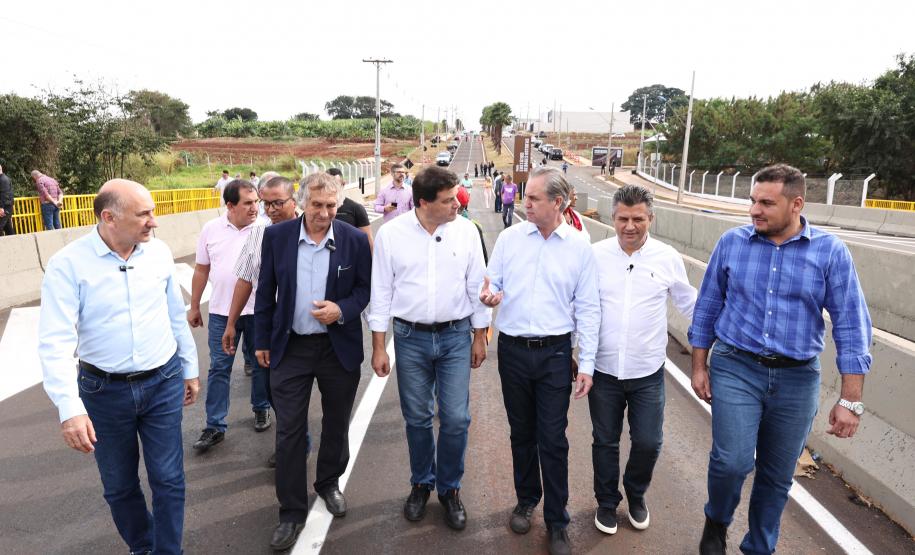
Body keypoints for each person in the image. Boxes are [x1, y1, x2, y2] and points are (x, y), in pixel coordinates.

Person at [689, 164, 873, 555]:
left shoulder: (830, 252)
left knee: (777, 474)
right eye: (753, 200)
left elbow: (851, 324)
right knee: (732, 462)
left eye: (766, 203)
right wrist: (699, 365)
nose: (754, 210)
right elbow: (707, 306)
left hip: (797, 378)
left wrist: (851, 400)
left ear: (796, 204)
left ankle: (759, 547)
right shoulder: (732, 243)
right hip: (736, 366)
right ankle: (716, 521)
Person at [38, 179, 199, 555]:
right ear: (109, 217)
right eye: (143, 214)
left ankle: (167, 551)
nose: (153, 222)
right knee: (119, 485)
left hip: (163, 381)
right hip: (104, 392)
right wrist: (70, 409)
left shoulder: (158, 253)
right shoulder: (68, 265)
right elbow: (55, 340)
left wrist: (189, 367)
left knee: (168, 478)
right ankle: (143, 546)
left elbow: (175, 316)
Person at [479, 165, 600, 555]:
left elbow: (589, 309)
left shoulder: (580, 247)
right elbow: (491, 282)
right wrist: (489, 296)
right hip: (513, 351)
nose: (524, 203)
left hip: (555, 354)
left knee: (553, 438)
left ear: (558, 203)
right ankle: (526, 498)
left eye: (533, 198)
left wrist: (587, 364)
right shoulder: (510, 239)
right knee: (522, 433)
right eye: (525, 196)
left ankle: (557, 520)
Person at [369, 166, 490, 531]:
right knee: (418, 417)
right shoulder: (391, 235)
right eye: (448, 200)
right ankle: (422, 482)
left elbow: (477, 285)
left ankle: (450, 488)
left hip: (455, 337)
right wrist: (379, 346)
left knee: (455, 418)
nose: (457, 204)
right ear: (423, 202)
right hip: (410, 338)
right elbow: (381, 292)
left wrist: (480, 335)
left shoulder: (466, 231)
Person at [255, 173, 371, 550]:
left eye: (331, 206)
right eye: (317, 205)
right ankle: (291, 511)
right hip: (291, 348)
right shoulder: (277, 237)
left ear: (340, 204)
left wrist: (342, 309)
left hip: (338, 349)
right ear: (302, 203)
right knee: (289, 430)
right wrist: (262, 340)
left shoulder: (354, 240)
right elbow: (266, 291)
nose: (324, 213)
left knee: (336, 423)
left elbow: (365, 290)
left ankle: (328, 483)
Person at [590, 185, 696, 536]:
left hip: (647, 372)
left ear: (651, 218)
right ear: (613, 218)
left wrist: (725, 332)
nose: (630, 226)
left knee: (648, 441)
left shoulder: (667, 257)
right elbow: (579, 306)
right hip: (604, 370)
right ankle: (607, 502)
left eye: (638, 219)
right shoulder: (595, 255)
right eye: (623, 218)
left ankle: (636, 493)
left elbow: (690, 304)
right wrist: (576, 352)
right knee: (605, 441)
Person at [189, 180, 265, 451]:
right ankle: (214, 425)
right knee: (219, 368)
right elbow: (201, 269)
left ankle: (261, 407)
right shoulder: (211, 229)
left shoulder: (265, 229)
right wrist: (194, 306)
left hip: (258, 311)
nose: (255, 208)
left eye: (256, 202)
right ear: (230, 206)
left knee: (261, 365)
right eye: (248, 203)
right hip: (221, 313)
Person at [221, 176, 299, 440]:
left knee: (294, 394)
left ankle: (296, 447)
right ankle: (294, 445)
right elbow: (245, 280)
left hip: (304, 329)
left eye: (277, 203)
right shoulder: (258, 233)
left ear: (294, 201)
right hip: (270, 326)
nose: (270, 210)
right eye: (266, 204)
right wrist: (231, 323)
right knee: (272, 388)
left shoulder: (311, 230)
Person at [328, 168, 374, 249]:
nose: (332, 188)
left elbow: (368, 241)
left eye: (335, 184)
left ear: (343, 184)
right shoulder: (319, 211)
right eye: (327, 185)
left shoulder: (356, 209)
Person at [0, 165, 14, 235]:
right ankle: (14, 240)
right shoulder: (3, 179)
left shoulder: (3, 180)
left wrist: (1, 207)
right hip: (6, 206)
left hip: (5, 207)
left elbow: (4, 195)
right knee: (8, 228)